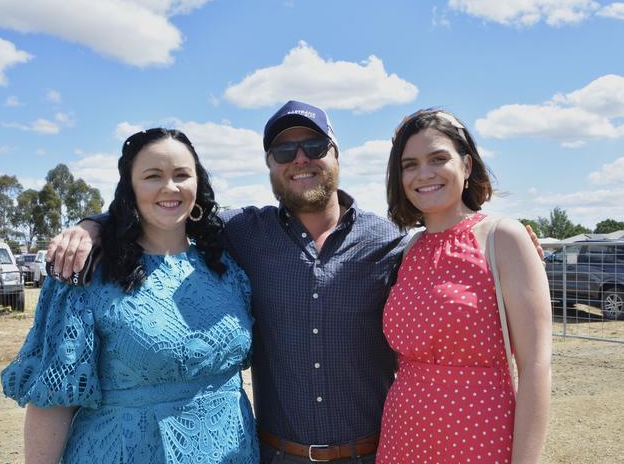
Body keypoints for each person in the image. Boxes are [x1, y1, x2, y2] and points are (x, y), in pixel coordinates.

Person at [45, 101, 543, 463]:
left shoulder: (392, 241)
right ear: (269, 167)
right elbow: (166, 209)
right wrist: (94, 224)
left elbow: (460, 262)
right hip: (275, 455)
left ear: (336, 154)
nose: (299, 158)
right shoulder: (241, 233)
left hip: (379, 452)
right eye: (283, 151)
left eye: (312, 145)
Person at [1, 128, 259, 464]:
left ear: (198, 183)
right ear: (130, 189)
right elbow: (54, 398)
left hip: (233, 451)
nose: (170, 187)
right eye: (153, 176)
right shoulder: (86, 272)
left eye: (182, 174)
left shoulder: (226, 267)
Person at [377, 109, 552, 463]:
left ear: (467, 165)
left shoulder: (503, 237)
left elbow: (536, 366)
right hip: (402, 436)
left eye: (438, 158)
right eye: (409, 164)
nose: (423, 174)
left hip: (478, 438)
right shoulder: (409, 249)